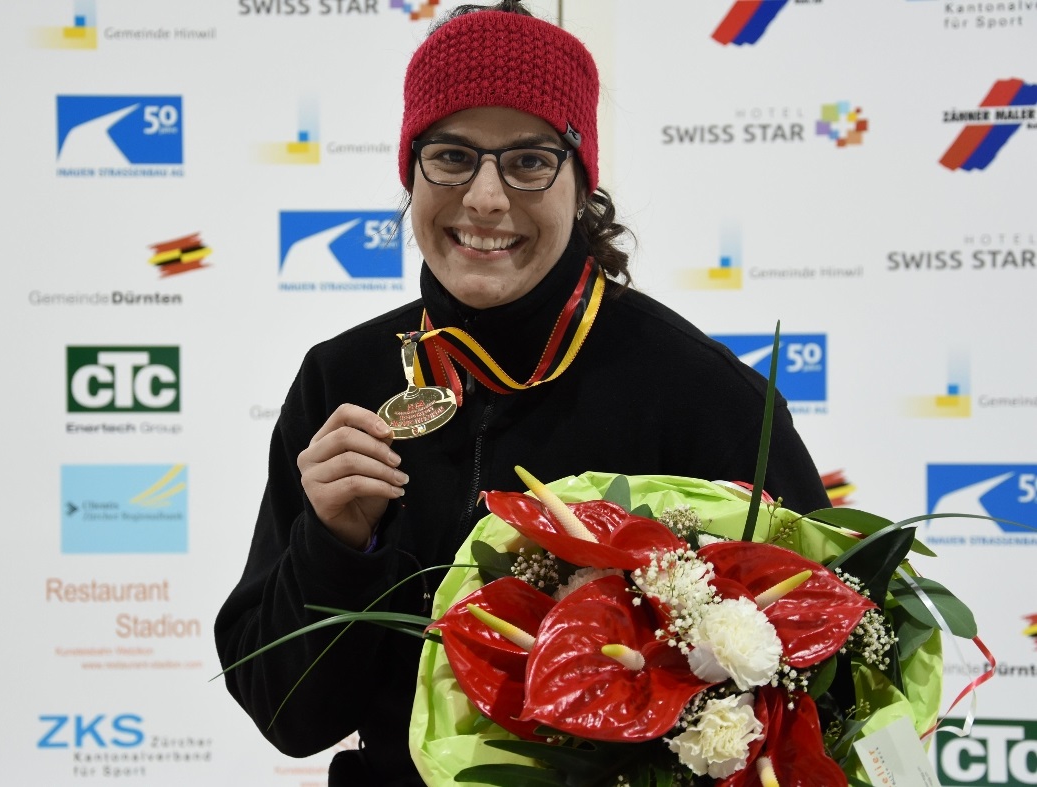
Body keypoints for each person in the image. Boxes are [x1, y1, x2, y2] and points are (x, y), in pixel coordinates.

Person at [215, 3, 832, 785]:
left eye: (529, 160)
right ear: (411, 170)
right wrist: (336, 549)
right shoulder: (345, 382)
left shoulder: (703, 397)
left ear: (581, 181)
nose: (484, 197)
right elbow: (287, 717)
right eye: (451, 156)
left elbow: (817, 683)